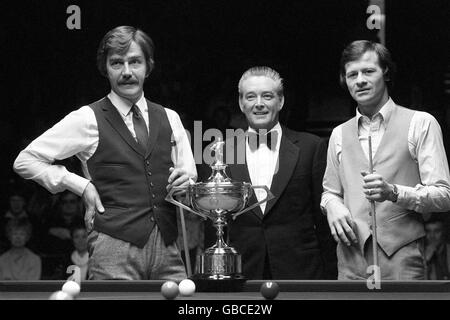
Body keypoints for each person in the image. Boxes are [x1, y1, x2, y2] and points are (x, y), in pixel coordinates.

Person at [13, 26, 197, 280]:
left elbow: (189, 178)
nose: (127, 72)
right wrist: (81, 185)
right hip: (113, 246)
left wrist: (186, 184)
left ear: (148, 66)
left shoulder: (170, 117)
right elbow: (25, 161)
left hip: (168, 248)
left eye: (135, 62)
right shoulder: (87, 118)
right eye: (116, 63)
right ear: (105, 68)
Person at [321, 40, 450, 280]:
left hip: (402, 257)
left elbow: (444, 195)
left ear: (386, 73)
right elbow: (330, 192)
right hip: (350, 260)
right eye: (352, 74)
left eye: (368, 71)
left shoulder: (421, 123)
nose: (360, 80)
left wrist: (394, 192)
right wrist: (332, 205)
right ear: (345, 80)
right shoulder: (339, 133)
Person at [222, 66, 337, 280]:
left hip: (301, 272)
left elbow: (323, 219)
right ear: (241, 103)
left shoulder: (311, 147)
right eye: (251, 96)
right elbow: (216, 221)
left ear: (281, 101)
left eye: (267, 96)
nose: (259, 104)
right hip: (243, 272)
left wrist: (331, 277)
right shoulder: (224, 152)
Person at [424, 215, 450, 280]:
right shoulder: (418, 253)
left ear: (443, 232)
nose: (432, 236)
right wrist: (425, 260)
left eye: (437, 231)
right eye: (428, 231)